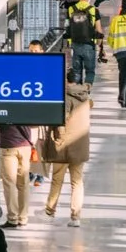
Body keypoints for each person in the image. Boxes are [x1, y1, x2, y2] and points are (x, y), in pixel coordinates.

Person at [41, 90, 91, 222]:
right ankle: (76, 216)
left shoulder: (65, 98)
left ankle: (50, 210)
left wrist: (60, 139)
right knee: (77, 182)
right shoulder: (85, 98)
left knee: (57, 179)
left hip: (64, 147)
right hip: (80, 146)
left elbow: (61, 120)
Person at [0, 121, 36, 228]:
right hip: (25, 146)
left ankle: (12, 218)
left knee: (10, 184)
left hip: (8, 145)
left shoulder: (0, 104)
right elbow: (35, 123)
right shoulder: (26, 103)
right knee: (24, 184)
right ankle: (23, 218)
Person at [64, 0, 102, 88]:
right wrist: (99, 43)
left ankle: (77, 93)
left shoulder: (71, 9)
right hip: (89, 45)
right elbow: (99, 30)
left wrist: (69, 42)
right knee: (90, 71)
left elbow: (67, 26)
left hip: (75, 44)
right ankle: (86, 90)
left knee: (77, 72)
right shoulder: (94, 10)